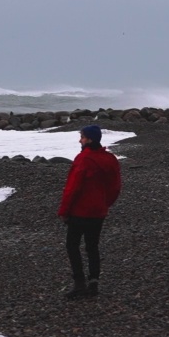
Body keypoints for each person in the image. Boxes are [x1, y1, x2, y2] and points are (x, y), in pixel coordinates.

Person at [57, 124, 122, 299]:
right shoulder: (110, 159)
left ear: (90, 139)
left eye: (83, 137)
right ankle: (93, 284)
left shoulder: (83, 159)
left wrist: (64, 210)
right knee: (92, 247)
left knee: (72, 246)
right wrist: (106, 203)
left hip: (80, 211)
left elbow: (72, 188)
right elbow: (116, 186)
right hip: (98, 212)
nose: (80, 140)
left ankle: (79, 284)